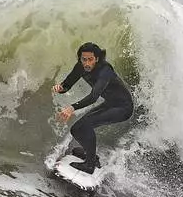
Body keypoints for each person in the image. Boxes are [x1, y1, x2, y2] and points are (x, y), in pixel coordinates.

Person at [51, 42, 133, 174]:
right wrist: (60, 88)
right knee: (76, 129)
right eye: (84, 59)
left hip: (123, 107)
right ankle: (92, 156)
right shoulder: (80, 67)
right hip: (110, 103)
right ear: (80, 59)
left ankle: (90, 165)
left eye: (90, 59)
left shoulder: (105, 70)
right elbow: (67, 84)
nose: (87, 63)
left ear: (97, 59)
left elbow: (94, 96)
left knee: (86, 126)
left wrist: (72, 108)